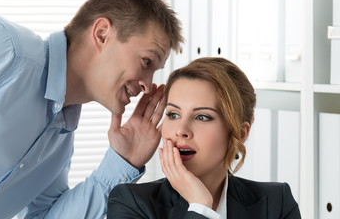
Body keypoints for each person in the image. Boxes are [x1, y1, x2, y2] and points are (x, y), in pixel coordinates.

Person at [0, 0, 183, 219]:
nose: (148, 85)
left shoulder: (57, 143)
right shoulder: (4, 47)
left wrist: (123, 161)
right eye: (147, 61)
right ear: (102, 34)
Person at [107, 57, 301, 219]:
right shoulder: (131, 203)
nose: (181, 130)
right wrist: (200, 206)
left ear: (240, 133)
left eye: (202, 117)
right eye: (173, 114)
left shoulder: (277, 203)